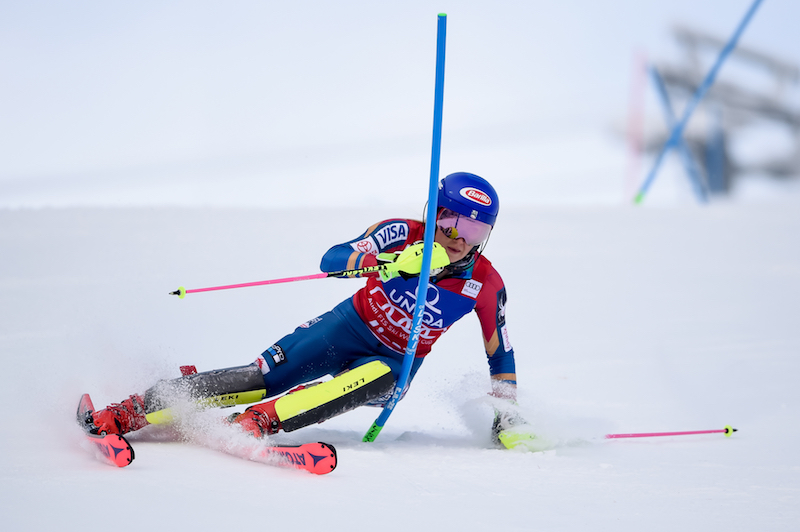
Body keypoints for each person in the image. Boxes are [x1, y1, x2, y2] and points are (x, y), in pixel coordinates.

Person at [87, 172, 526, 447]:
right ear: (435, 213)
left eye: (475, 228)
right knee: (259, 378)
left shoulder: (485, 283)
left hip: (395, 360)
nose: (460, 238)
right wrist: (388, 263)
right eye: (451, 221)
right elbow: (333, 259)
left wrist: (507, 413)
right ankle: (129, 411)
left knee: (378, 376)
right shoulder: (400, 232)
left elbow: (499, 353)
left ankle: (254, 424)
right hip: (347, 325)